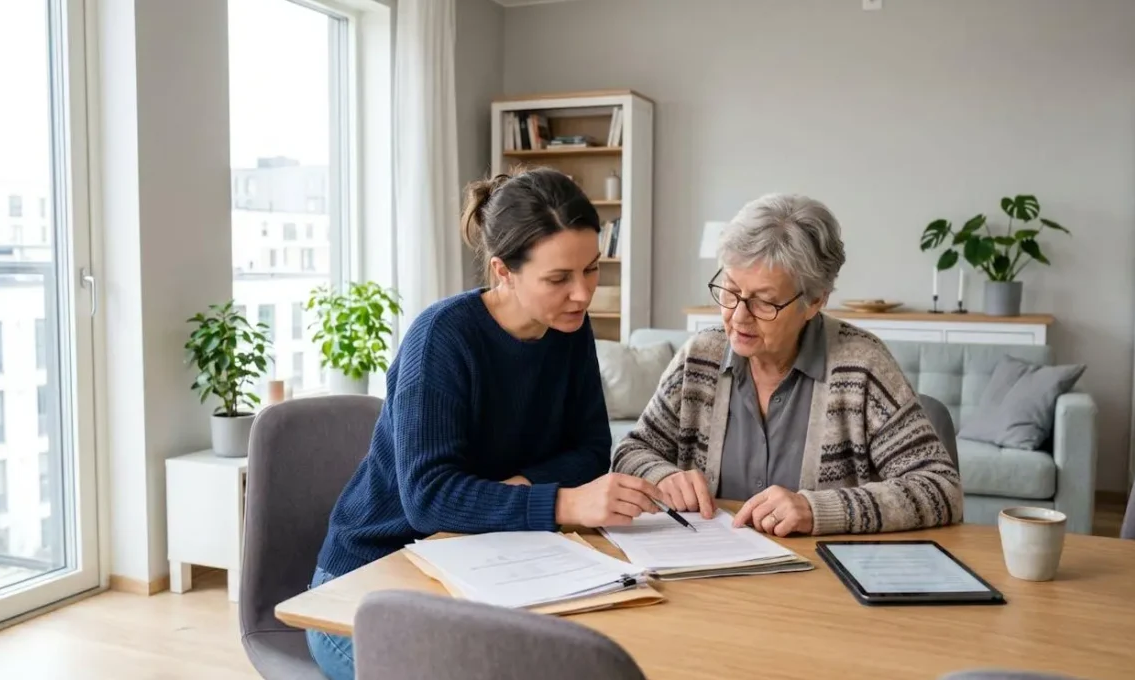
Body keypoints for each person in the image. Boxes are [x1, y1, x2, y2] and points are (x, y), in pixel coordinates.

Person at [307, 167, 663, 680]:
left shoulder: (569, 330)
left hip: (484, 559)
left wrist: (510, 491)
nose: (583, 294)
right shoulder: (442, 339)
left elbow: (589, 450)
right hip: (370, 583)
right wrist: (561, 500)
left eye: (591, 269)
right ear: (503, 271)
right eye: (558, 278)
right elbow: (429, 500)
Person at [612, 193, 962, 537]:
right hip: (710, 579)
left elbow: (940, 489)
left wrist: (816, 510)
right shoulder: (700, 357)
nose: (738, 316)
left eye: (765, 302)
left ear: (814, 301)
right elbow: (631, 452)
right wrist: (662, 475)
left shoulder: (861, 365)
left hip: (822, 583)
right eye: (730, 291)